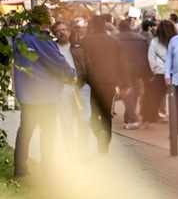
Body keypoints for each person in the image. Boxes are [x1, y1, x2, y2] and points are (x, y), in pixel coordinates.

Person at [13, 7, 75, 177]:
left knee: (25, 131)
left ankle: (19, 168)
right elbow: (58, 62)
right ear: (44, 20)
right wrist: (71, 74)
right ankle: (48, 167)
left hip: (26, 94)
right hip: (45, 94)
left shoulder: (20, 38)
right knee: (48, 132)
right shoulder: (43, 39)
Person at [80, 14, 124, 154]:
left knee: (91, 113)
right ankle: (104, 146)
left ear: (92, 25)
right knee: (106, 114)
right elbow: (121, 63)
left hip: (91, 82)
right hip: (109, 83)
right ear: (105, 25)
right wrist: (124, 83)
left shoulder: (85, 41)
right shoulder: (114, 40)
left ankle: (98, 132)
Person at [52, 20, 91, 158]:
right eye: (58, 30)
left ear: (69, 31)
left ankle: (83, 151)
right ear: (54, 33)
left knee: (84, 120)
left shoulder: (79, 46)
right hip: (63, 88)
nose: (61, 32)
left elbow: (88, 64)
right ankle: (71, 152)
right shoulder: (53, 49)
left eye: (64, 29)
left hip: (81, 87)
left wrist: (87, 81)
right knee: (66, 121)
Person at [117, 18, 149, 130]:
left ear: (119, 28)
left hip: (123, 71)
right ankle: (129, 119)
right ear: (130, 27)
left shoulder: (116, 39)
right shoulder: (141, 39)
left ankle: (133, 119)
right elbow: (146, 56)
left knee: (127, 94)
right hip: (138, 70)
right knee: (135, 95)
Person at [146, 20, 176, 125]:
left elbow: (151, 58)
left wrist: (154, 70)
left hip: (160, 72)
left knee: (156, 97)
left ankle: (151, 119)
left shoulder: (155, 41)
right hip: (174, 72)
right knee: (177, 96)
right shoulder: (176, 40)